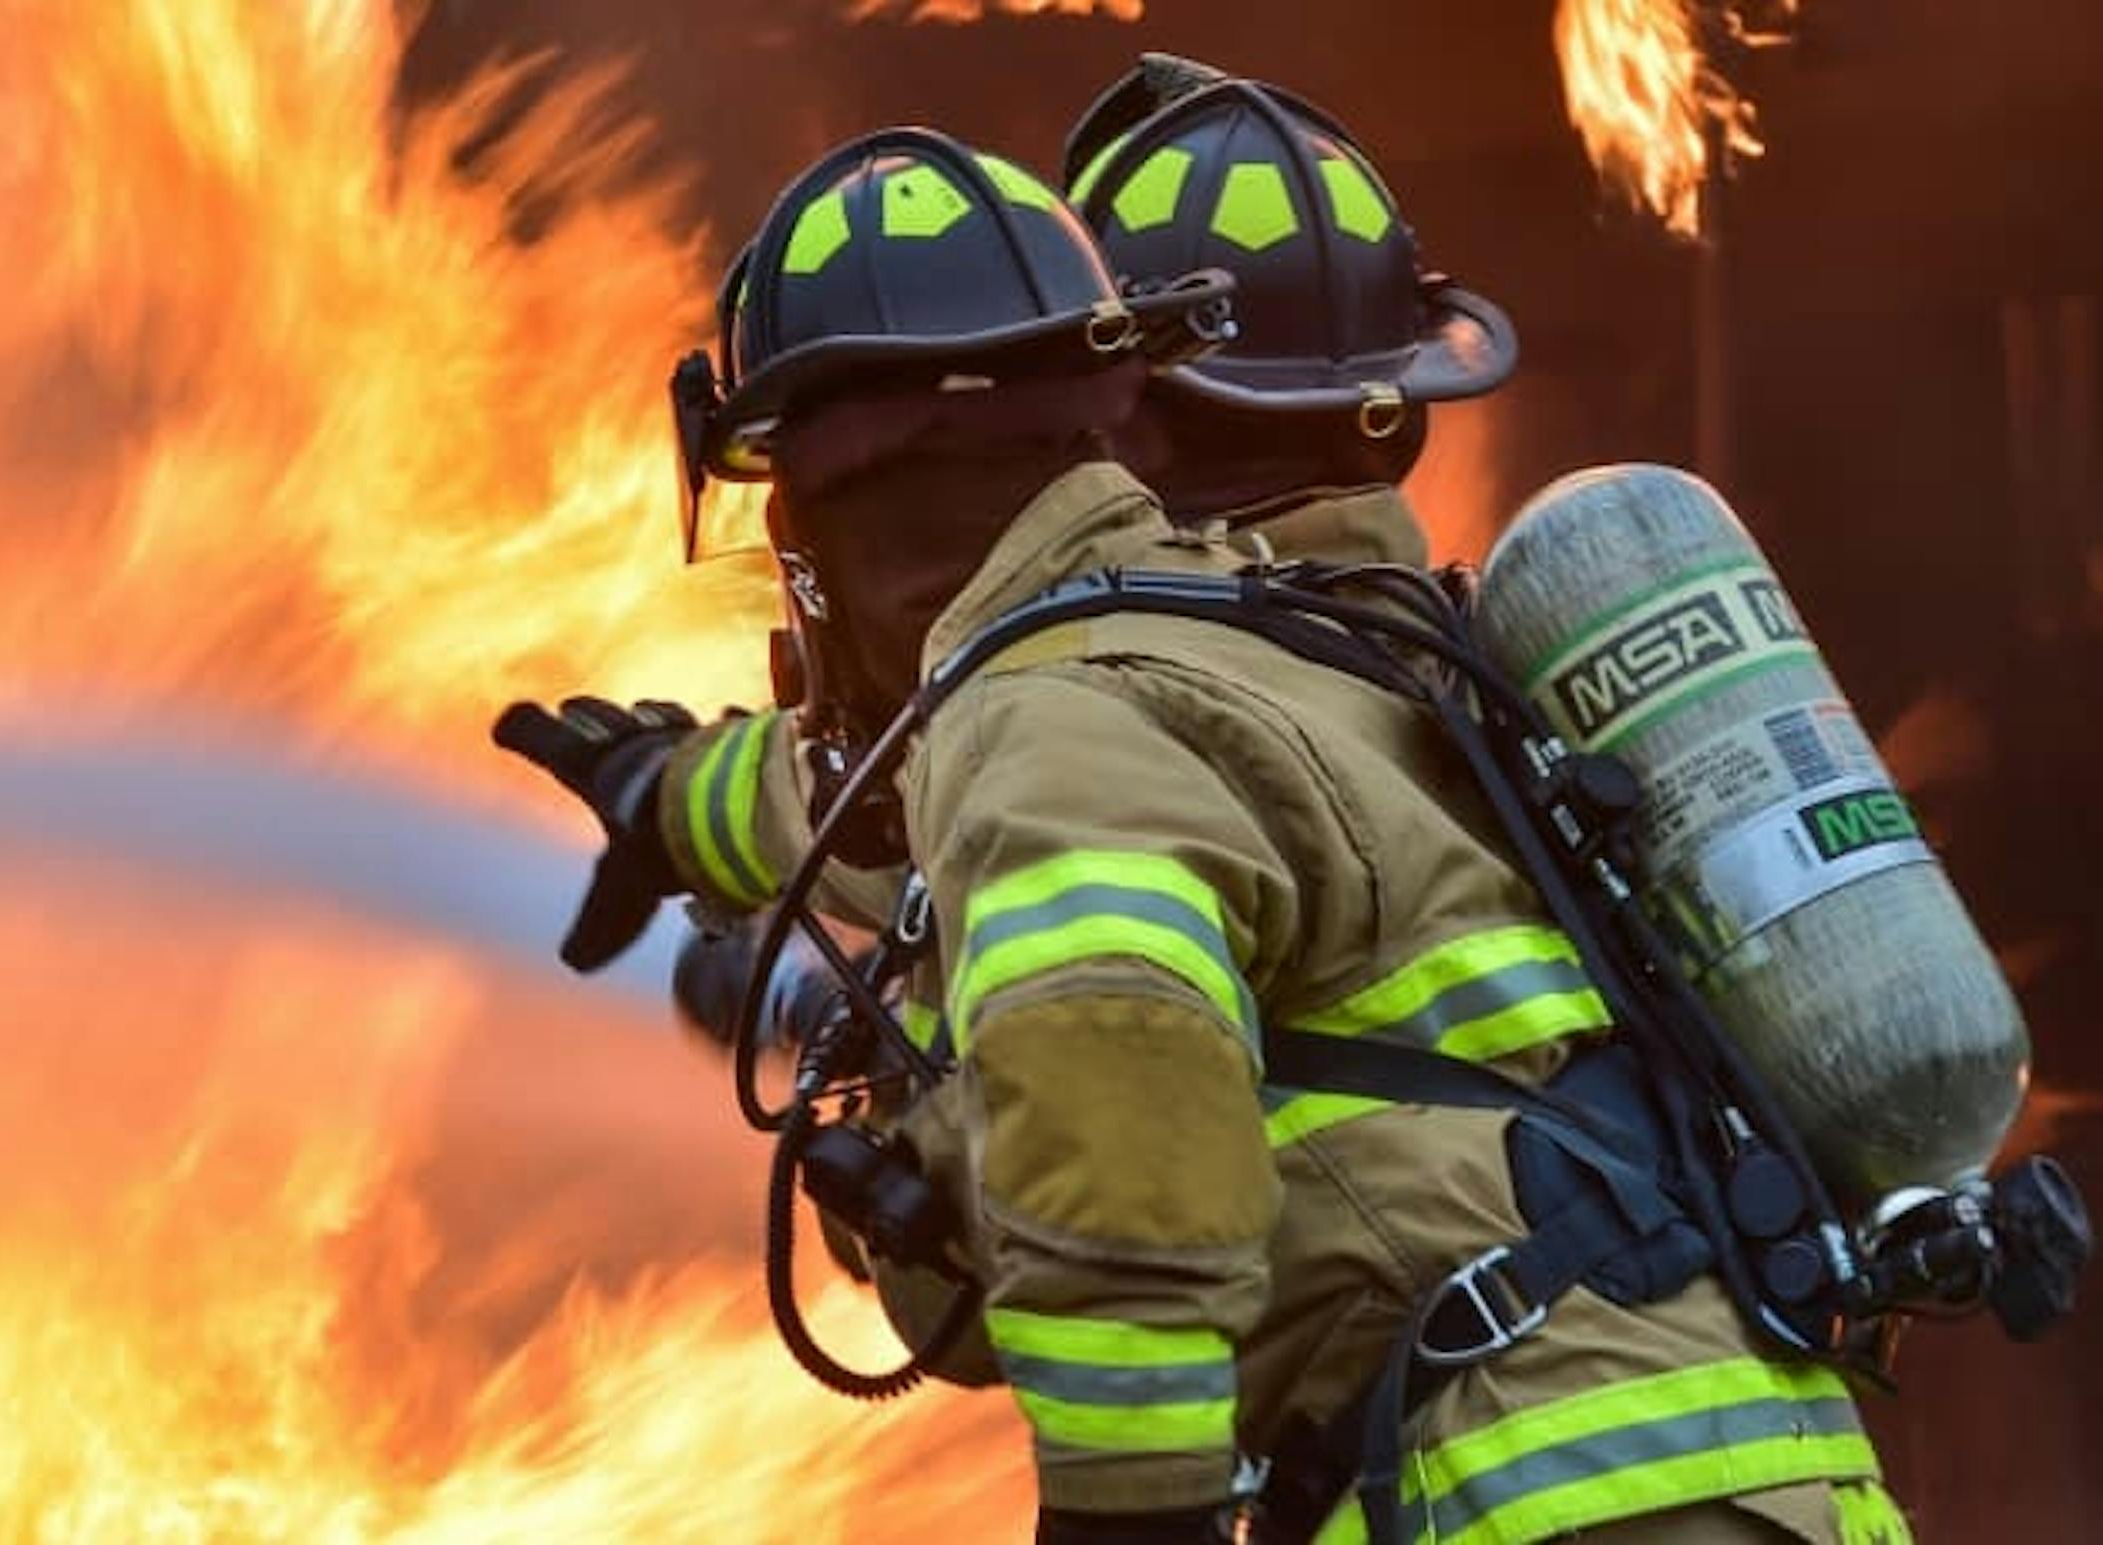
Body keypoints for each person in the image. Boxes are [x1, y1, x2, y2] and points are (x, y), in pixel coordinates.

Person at [496, 86, 1906, 1544]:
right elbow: (869, 797)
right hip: (1769, 1477)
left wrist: (1126, 1522)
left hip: (1534, 1499)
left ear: (837, 524)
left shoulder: (1054, 719)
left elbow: (1118, 1154)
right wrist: (667, 799)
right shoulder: (1313, 651)